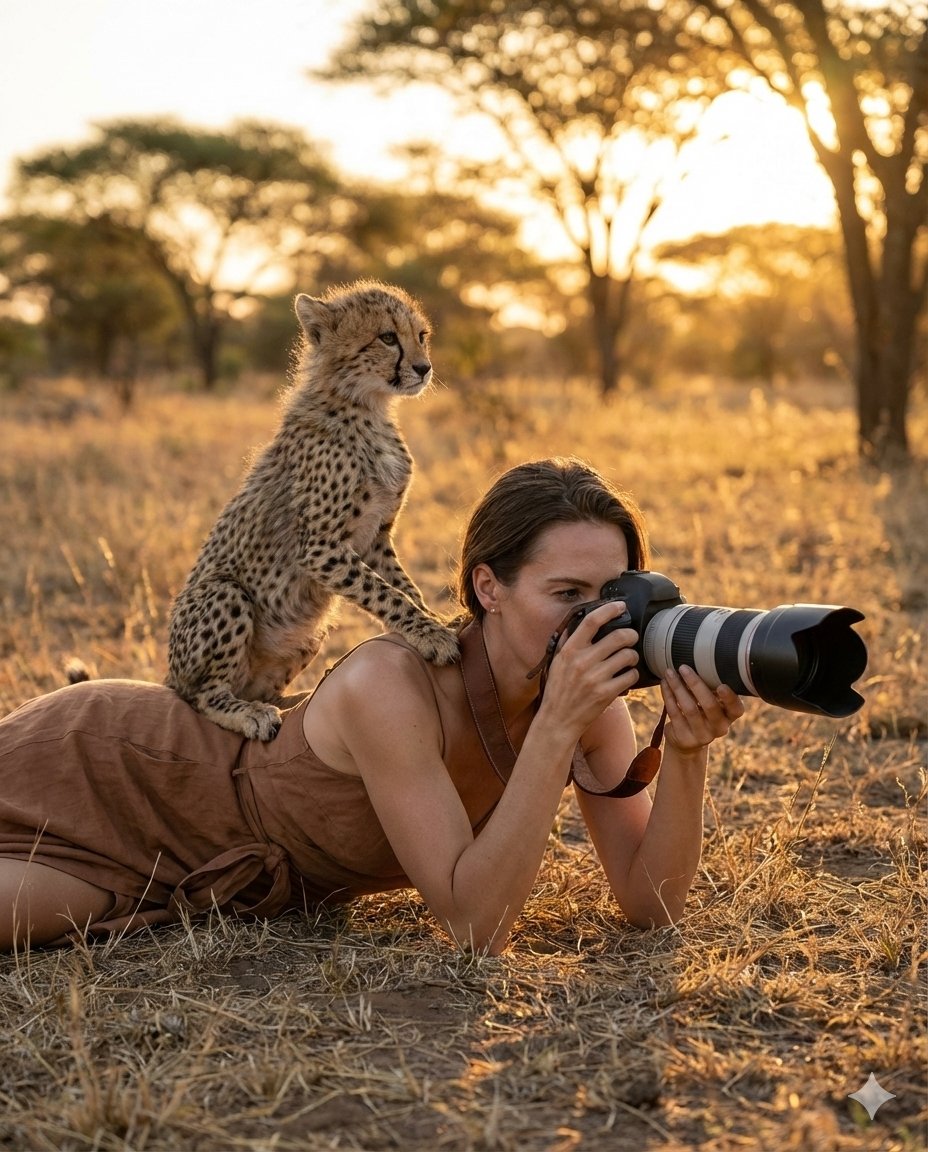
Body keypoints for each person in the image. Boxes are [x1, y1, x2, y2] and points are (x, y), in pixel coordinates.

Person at [0, 457, 743, 953]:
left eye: (609, 594)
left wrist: (684, 752)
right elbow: (477, 928)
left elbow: (653, 907)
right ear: (489, 589)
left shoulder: (585, 698)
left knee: (68, 915)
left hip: (188, 872)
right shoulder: (390, 685)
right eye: (565, 595)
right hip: (123, 764)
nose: (594, 619)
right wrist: (554, 732)